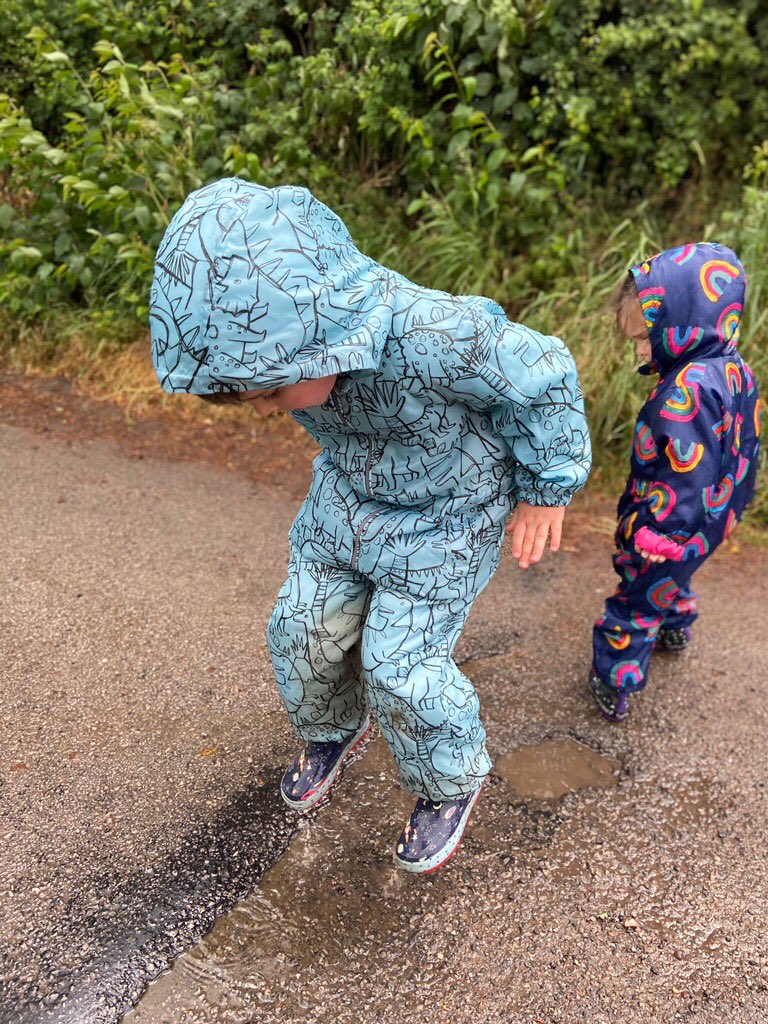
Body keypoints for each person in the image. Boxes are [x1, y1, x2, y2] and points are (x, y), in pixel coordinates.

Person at [150, 178, 591, 873]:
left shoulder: (436, 334)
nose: (267, 411)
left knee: (400, 665)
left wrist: (548, 488)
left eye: (269, 392)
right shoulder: (299, 359)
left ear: (323, 334)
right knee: (300, 626)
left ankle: (449, 782)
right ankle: (332, 728)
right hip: (348, 504)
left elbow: (544, 373)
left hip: (447, 515)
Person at [590, 242, 760, 722]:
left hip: (666, 523)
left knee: (638, 594)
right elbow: (746, 441)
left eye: (646, 338)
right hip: (714, 515)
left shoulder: (686, 389)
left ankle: (615, 676)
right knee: (677, 573)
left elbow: (685, 472)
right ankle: (677, 621)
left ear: (684, 321)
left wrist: (658, 533)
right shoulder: (734, 367)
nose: (642, 352)